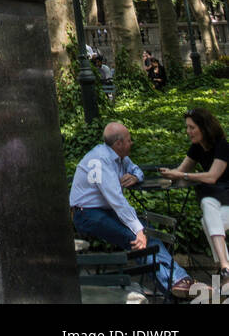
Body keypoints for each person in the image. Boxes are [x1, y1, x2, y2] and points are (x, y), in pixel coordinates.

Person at [70, 121, 193, 298]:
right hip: (87, 214)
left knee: (148, 235)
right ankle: (175, 288)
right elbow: (117, 201)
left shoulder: (119, 156)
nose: (132, 143)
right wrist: (138, 231)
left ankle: (179, 281)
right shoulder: (100, 160)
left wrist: (136, 176)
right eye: (129, 140)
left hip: (105, 211)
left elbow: (135, 169)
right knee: (136, 240)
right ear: (118, 143)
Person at [161, 107, 229, 282]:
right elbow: (181, 170)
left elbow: (212, 176)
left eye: (192, 127)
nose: (188, 132)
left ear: (204, 127)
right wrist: (169, 175)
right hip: (219, 202)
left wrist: (182, 175)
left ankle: (224, 268)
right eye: (187, 127)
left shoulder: (222, 146)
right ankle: (225, 268)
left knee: (207, 216)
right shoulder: (196, 148)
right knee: (207, 210)